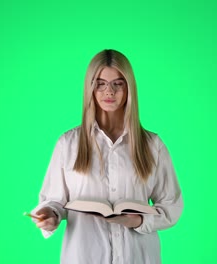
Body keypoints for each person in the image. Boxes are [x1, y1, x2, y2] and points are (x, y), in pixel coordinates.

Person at [31, 49, 184, 264]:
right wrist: (49, 215)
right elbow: (54, 200)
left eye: (118, 83)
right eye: (101, 83)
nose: (109, 92)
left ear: (129, 87)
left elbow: (171, 205)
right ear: (90, 88)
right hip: (84, 257)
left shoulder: (152, 145)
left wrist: (138, 220)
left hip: (138, 257)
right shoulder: (68, 143)